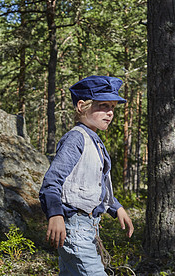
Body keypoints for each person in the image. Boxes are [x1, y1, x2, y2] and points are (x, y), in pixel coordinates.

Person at [39, 75, 134, 275]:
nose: (109, 113)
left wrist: (116, 208)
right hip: (75, 227)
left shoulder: (95, 141)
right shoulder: (76, 139)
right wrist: (55, 213)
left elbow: (94, 185)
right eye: (103, 105)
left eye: (112, 108)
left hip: (89, 228)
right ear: (82, 106)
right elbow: (51, 182)